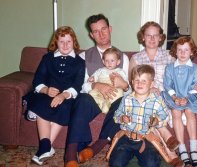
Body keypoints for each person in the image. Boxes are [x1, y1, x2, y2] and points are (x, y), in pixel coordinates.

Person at [64, 14, 129, 167]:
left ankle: (95, 147)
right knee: (81, 100)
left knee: (126, 102)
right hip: (94, 98)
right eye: (96, 31)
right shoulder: (83, 56)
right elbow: (80, 85)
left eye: (104, 29)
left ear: (110, 29)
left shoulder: (123, 58)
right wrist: (96, 85)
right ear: (91, 35)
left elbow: (129, 89)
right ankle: (70, 154)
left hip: (115, 99)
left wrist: (124, 85)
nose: (101, 34)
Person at [26, 26, 85, 165]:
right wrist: (46, 90)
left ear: (74, 42)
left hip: (67, 97)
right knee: (41, 103)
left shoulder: (80, 62)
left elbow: (78, 85)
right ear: (56, 42)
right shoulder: (47, 58)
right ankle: (46, 147)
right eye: (61, 41)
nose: (65, 45)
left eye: (68, 41)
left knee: (64, 107)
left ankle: (44, 148)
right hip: (46, 94)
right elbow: (37, 80)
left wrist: (63, 95)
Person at [108, 64, 169, 167]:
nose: (139, 83)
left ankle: (146, 156)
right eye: (136, 80)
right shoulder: (126, 99)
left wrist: (157, 120)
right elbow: (116, 115)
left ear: (151, 84)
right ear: (132, 82)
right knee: (115, 163)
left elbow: (165, 116)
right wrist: (122, 118)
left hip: (146, 138)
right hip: (127, 137)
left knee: (151, 164)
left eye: (144, 81)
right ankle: (128, 155)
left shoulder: (157, 101)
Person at [161, 36, 197, 167]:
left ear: (192, 52)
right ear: (175, 51)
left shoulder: (196, 68)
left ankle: (194, 149)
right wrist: (175, 98)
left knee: (189, 110)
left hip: (191, 96)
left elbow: (196, 86)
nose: (182, 53)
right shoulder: (169, 68)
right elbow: (167, 85)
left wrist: (186, 98)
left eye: (186, 50)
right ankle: (182, 149)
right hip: (174, 96)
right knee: (176, 111)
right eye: (179, 50)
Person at [87, 47, 128, 114]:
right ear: (103, 61)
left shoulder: (120, 71)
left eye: (112, 60)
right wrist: (91, 79)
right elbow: (93, 79)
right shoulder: (100, 70)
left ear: (118, 62)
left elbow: (125, 84)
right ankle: (101, 103)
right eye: (107, 60)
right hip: (100, 92)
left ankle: (108, 105)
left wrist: (123, 83)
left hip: (113, 91)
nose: (109, 63)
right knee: (91, 93)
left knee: (120, 92)